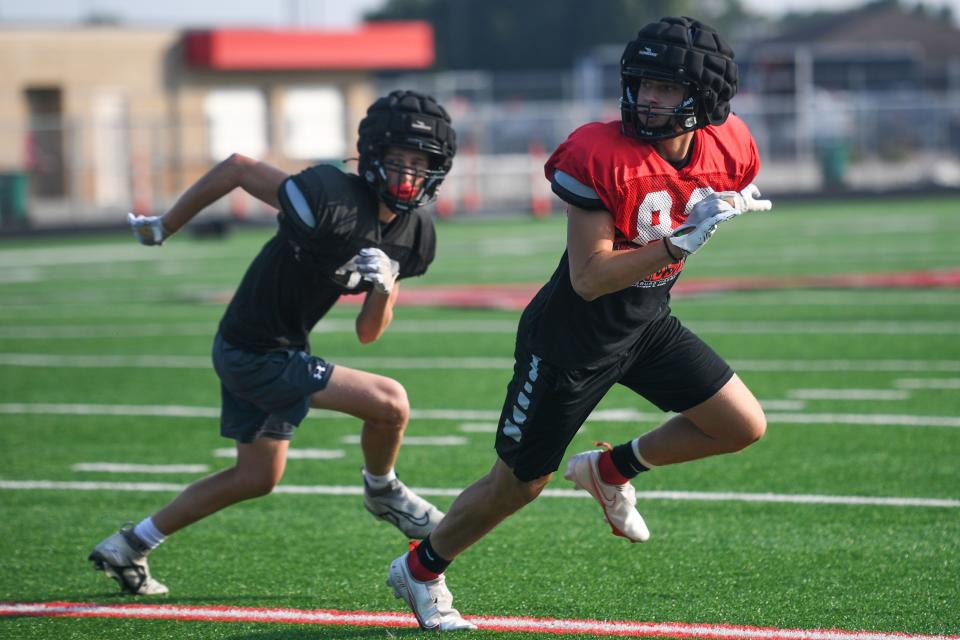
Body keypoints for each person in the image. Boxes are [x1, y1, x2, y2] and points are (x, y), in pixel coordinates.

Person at [385, 17, 773, 631]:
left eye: (667, 88)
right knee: (518, 485)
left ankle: (610, 469)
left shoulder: (731, 147)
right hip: (571, 339)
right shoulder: (600, 152)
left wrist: (709, 213)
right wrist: (678, 244)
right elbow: (590, 277)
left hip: (646, 325)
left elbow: (705, 192)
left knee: (741, 424)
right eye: (643, 82)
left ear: (705, 98)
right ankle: (422, 568)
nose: (648, 97)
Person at [88, 90, 457, 596]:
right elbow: (239, 168)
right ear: (372, 157)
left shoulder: (413, 236)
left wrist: (384, 287)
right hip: (254, 351)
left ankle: (130, 544)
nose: (409, 174)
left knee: (257, 476)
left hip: (272, 348)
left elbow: (367, 333)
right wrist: (166, 225)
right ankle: (382, 490)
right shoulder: (331, 198)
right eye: (399, 160)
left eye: (421, 163)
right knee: (390, 403)